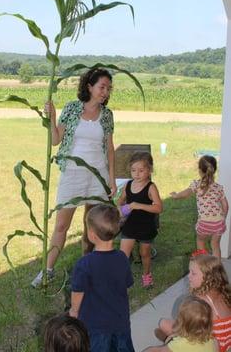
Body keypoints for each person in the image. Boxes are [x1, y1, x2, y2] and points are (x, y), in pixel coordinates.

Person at [32, 68, 117, 287]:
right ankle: (47, 270)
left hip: (98, 175)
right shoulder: (71, 109)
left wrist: (112, 179)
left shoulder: (107, 115)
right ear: (89, 86)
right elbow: (55, 140)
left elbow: (109, 149)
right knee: (62, 226)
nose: (105, 92)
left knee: (94, 227)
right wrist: (51, 118)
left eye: (108, 88)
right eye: (102, 87)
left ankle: (87, 269)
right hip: (73, 174)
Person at [70, 204, 135, 352]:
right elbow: (125, 285)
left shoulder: (84, 264)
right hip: (120, 322)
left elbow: (77, 293)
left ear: (92, 235)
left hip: (95, 327)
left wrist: (74, 312)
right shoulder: (122, 258)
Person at [157, 254, 231, 352]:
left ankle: (171, 343)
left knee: (163, 323)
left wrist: (175, 335)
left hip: (214, 346)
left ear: (207, 277)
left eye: (193, 273)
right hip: (226, 342)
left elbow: (188, 326)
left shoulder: (200, 301)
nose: (189, 276)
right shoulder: (223, 291)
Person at [118, 151, 163, 288]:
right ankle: (120, 278)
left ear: (149, 170)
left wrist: (138, 205)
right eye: (133, 170)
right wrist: (120, 208)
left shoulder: (151, 187)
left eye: (141, 170)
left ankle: (146, 275)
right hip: (130, 225)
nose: (137, 174)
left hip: (146, 226)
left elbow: (159, 208)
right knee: (123, 254)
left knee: (144, 253)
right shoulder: (128, 184)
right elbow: (121, 200)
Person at [170, 155, 228, 258]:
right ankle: (216, 270)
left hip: (204, 223)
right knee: (215, 245)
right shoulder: (219, 187)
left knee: (200, 241)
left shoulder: (197, 184)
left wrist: (176, 196)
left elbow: (186, 193)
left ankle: (204, 267)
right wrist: (223, 217)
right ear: (214, 170)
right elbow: (225, 205)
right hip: (218, 222)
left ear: (200, 170)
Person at [142, 296, 216, 351]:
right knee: (171, 338)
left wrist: (151, 349)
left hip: (175, 347)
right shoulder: (211, 339)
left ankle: (166, 342)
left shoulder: (180, 344)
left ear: (182, 324)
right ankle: (167, 341)